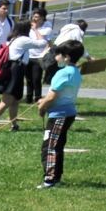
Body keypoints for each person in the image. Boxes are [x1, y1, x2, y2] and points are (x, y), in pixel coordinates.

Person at [37, 39, 84, 188]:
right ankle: (56, 176)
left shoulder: (62, 73)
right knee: (57, 145)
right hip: (68, 113)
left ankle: (50, 179)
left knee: (50, 146)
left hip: (59, 114)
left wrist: (42, 107)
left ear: (67, 57)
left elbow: (52, 96)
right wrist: (44, 101)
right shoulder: (75, 72)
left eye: (58, 55)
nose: (56, 58)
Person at [0, 22, 33, 132]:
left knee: (15, 100)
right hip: (16, 70)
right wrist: (37, 31)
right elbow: (41, 43)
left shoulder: (13, 39)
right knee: (6, 100)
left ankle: (14, 125)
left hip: (11, 69)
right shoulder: (23, 39)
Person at [25, 7, 52, 103]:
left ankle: (38, 97)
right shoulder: (29, 25)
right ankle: (28, 97)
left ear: (43, 18)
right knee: (28, 78)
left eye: (37, 17)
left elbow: (43, 41)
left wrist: (35, 29)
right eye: (34, 16)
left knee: (36, 78)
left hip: (39, 56)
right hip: (28, 55)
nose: (34, 19)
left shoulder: (47, 27)